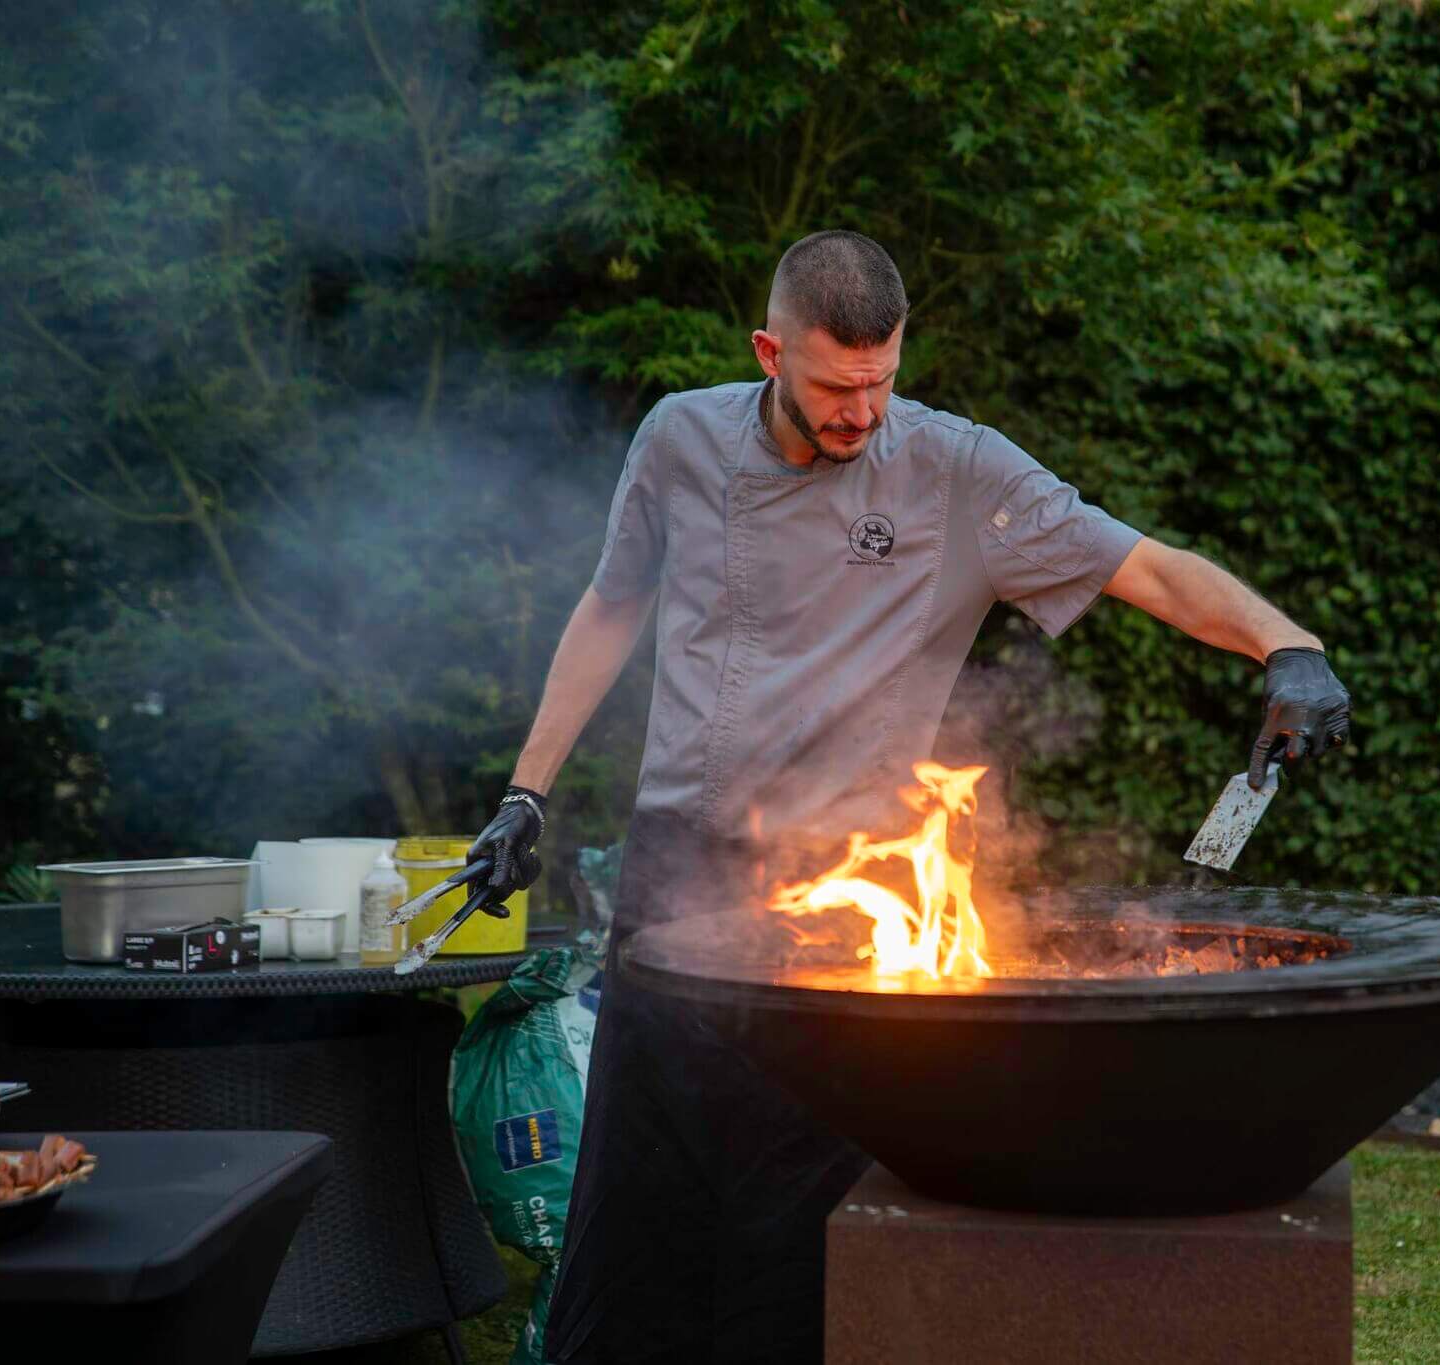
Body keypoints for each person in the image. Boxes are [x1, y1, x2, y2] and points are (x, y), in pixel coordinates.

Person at [463, 230, 1352, 1363]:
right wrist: (526, 794)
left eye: (880, 381)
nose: (863, 412)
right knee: (639, 1197)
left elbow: (1146, 566)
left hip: (844, 895)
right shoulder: (680, 437)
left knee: (801, 1211)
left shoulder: (957, 472)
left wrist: (1285, 644)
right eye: (837, 387)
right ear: (769, 353)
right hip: (674, 873)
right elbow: (609, 606)